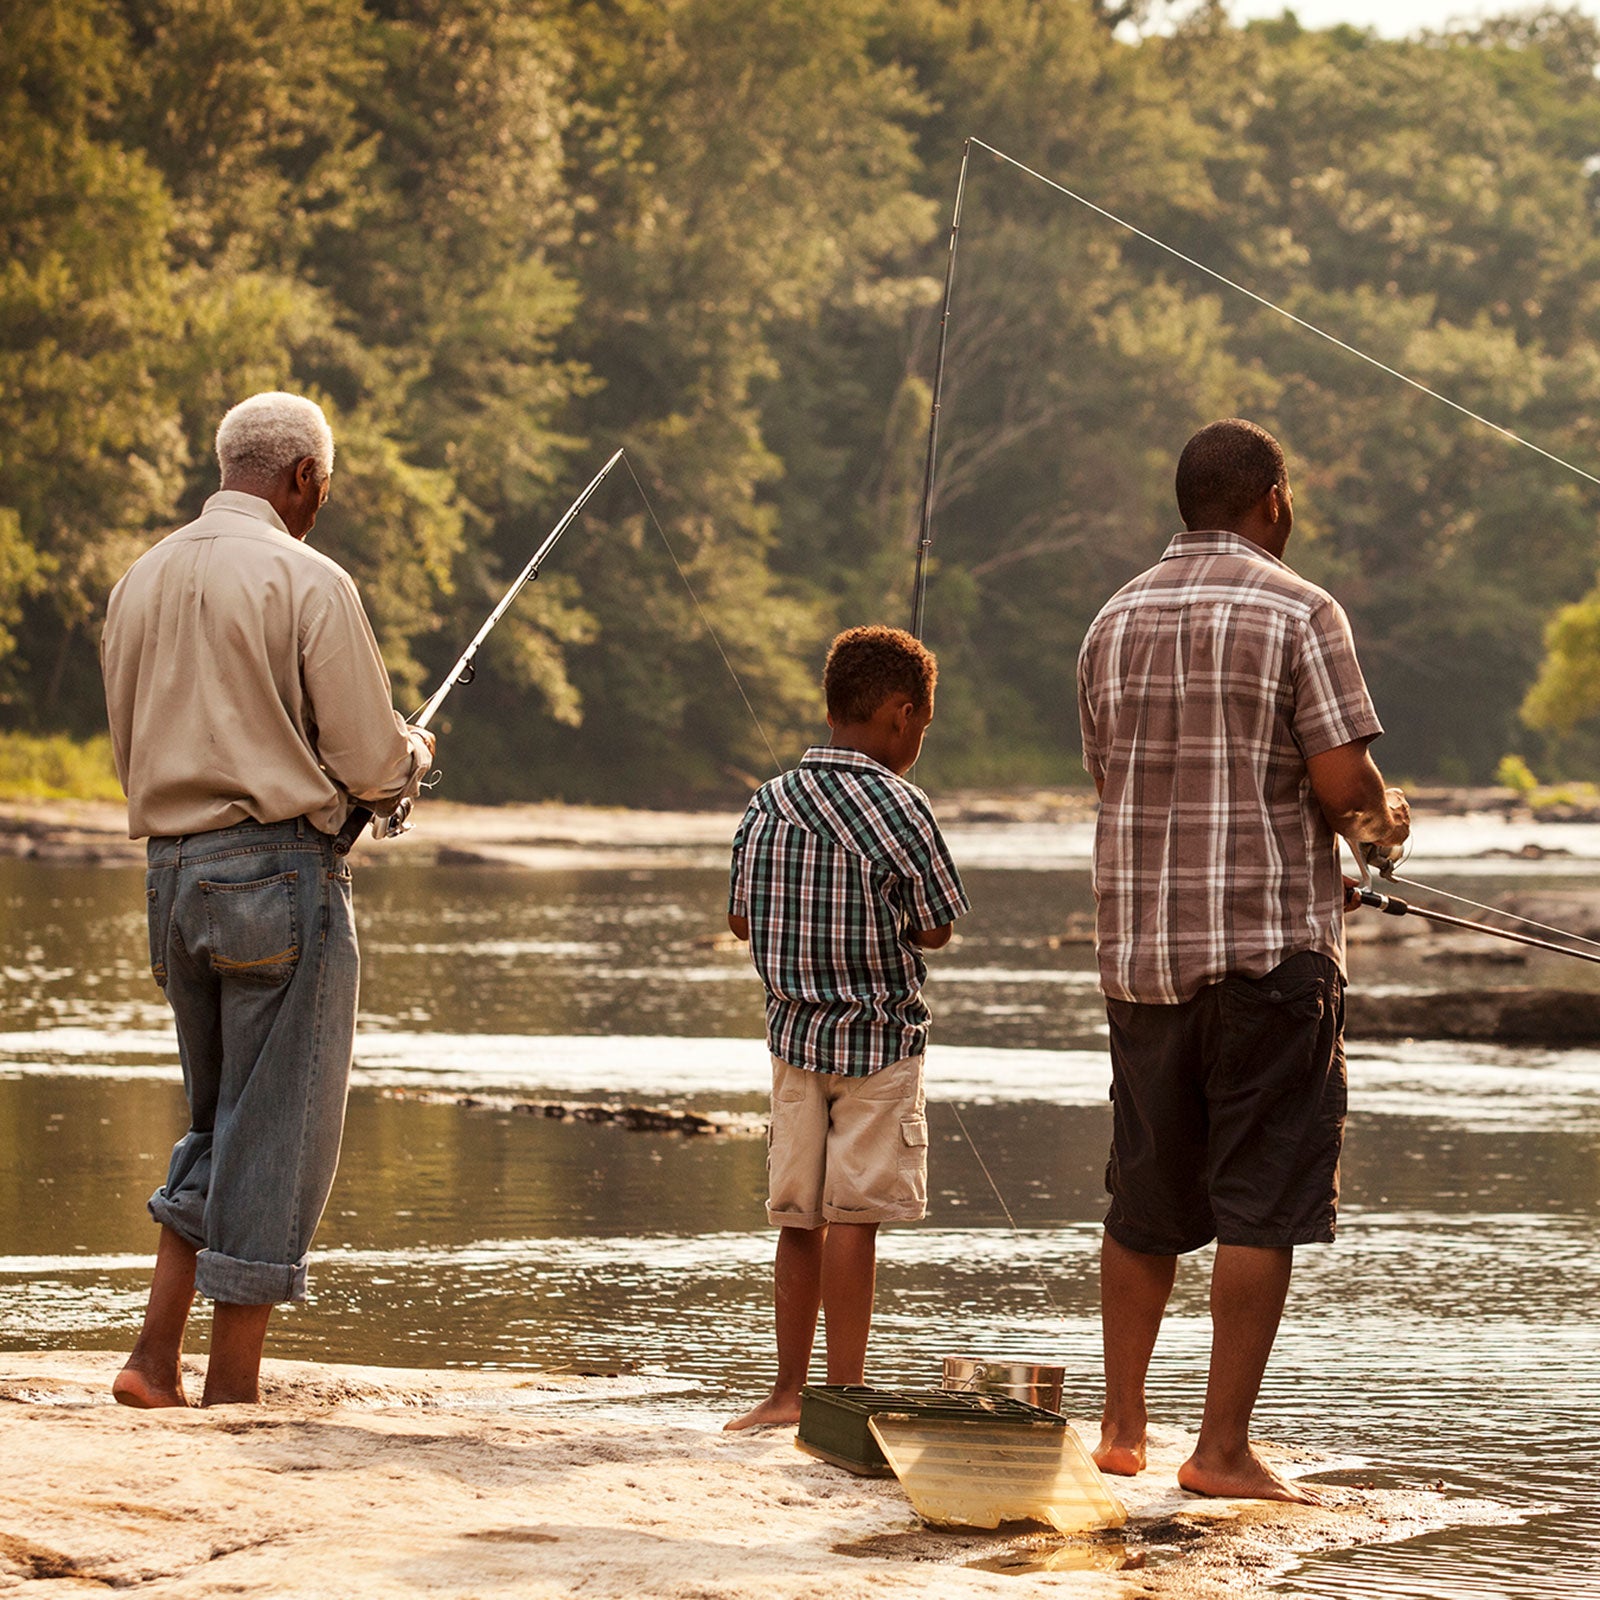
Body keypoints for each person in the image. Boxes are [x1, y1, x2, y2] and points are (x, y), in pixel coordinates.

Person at [1075, 418, 1410, 1502]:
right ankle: (1219, 1452)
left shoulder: (1109, 619)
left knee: (1143, 1200)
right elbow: (1341, 788)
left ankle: (1121, 1430)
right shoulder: (1300, 608)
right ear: (1269, 499)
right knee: (1259, 1203)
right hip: (1268, 954)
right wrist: (1382, 822)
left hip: (1140, 959)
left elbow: (1110, 779)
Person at [100, 391, 435, 1408]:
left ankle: (153, 1359)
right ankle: (231, 1385)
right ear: (302, 478)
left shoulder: (138, 580)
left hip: (171, 876)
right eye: (321, 487)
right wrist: (411, 758)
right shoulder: (309, 579)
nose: (319, 502)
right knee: (277, 1127)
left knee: (218, 1118)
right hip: (280, 878)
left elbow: (126, 744)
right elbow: (369, 758)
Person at [723, 625, 969, 1431]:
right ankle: (843, 1395)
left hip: (793, 1044)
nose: (920, 742)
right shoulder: (905, 807)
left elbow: (737, 920)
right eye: (923, 728)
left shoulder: (768, 801)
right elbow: (935, 929)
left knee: (798, 1217)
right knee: (856, 1220)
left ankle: (786, 1393)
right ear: (901, 716)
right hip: (880, 1047)